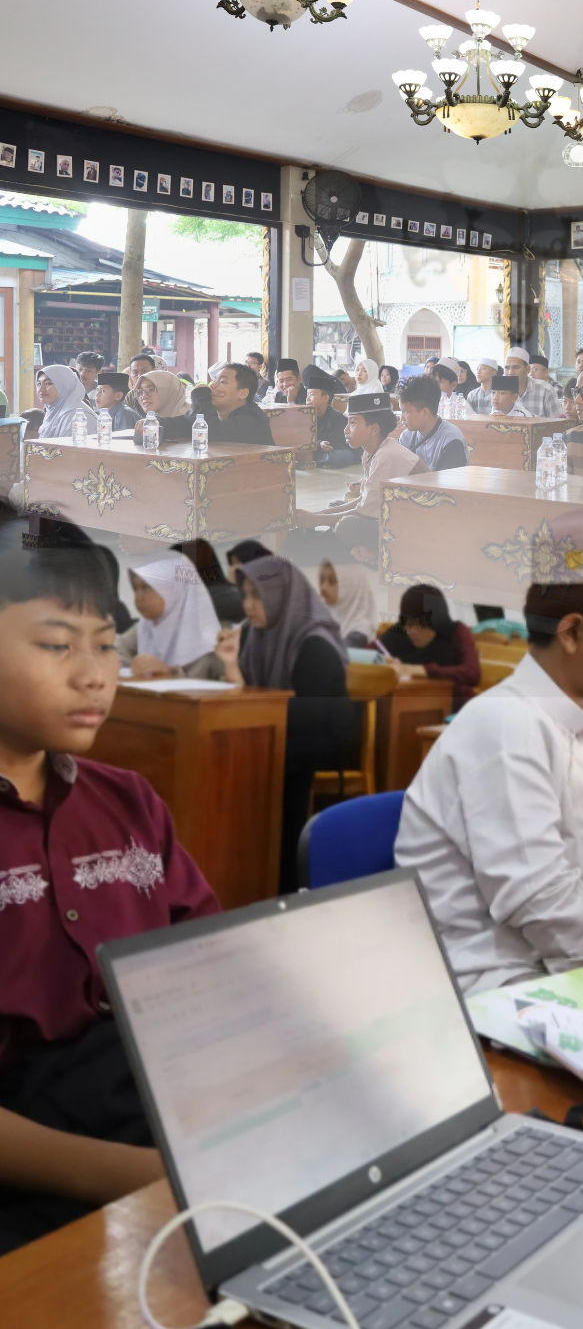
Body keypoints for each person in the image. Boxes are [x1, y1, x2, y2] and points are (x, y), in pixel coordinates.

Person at [0, 532, 218, 1255]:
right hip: (39, 1170)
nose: (95, 675)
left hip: (160, 1110)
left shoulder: (128, 803)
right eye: (58, 645)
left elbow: (207, 971)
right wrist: (154, 1180)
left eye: (103, 644)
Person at [394, 514, 583, 991]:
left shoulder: (579, 733)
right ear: (571, 633)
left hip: (546, 958)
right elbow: (534, 895)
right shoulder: (505, 725)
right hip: (479, 976)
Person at [215, 555, 350, 894]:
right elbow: (253, 701)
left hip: (310, 749)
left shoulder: (315, 644)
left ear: (281, 595)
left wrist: (256, 727)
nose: (248, 605)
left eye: (257, 595)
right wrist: (230, 665)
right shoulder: (254, 636)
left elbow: (310, 721)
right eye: (245, 595)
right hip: (272, 739)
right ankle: (236, 880)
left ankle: (276, 885)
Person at [295, 392, 422, 528]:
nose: (346, 430)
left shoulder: (386, 455)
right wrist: (321, 513)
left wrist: (317, 520)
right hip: (391, 511)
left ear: (374, 429)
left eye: (352, 423)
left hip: (413, 522)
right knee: (334, 506)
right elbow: (365, 499)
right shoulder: (369, 453)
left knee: (346, 525)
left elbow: (365, 512)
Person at [116, 551, 223, 680]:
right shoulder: (146, 626)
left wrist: (169, 672)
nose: (139, 597)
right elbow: (116, 650)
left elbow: (202, 686)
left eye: (146, 588)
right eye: (135, 588)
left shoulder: (203, 638)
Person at [380, 585, 481, 710]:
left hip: (455, 709)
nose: (412, 631)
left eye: (420, 625)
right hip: (412, 707)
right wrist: (381, 661)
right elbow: (368, 653)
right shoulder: (397, 634)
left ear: (436, 622)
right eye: (408, 624)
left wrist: (420, 670)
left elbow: (472, 673)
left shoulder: (456, 632)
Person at [188, 364, 274, 446]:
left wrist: (200, 396)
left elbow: (208, 433)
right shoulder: (216, 415)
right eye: (214, 381)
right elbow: (186, 426)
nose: (212, 385)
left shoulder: (253, 419)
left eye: (222, 382)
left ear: (243, 393)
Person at [397, 375, 469, 470]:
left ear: (425, 413)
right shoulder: (405, 437)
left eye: (405, 411)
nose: (401, 417)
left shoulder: (451, 439)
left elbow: (447, 479)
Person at [302, 363, 354, 467]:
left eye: (312, 395)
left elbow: (336, 446)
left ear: (325, 398)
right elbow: (304, 438)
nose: (307, 399)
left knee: (332, 456)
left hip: (340, 451)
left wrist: (322, 446)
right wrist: (319, 444)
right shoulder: (305, 415)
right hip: (319, 450)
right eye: (307, 395)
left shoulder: (336, 418)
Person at [317, 557, 377, 647]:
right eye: (322, 580)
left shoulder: (360, 631)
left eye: (332, 581)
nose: (323, 588)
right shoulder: (328, 619)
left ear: (351, 586)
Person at [133, 371, 190, 443]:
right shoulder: (147, 422)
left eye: (151, 389)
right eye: (140, 391)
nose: (144, 397)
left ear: (170, 391)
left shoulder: (191, 421)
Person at [35, 366, 91, 439]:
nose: (41, 389)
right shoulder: (53, 411)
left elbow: (69, 446)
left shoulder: (74, 414)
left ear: (65, 385)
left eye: (48, 383)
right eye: (39, 384)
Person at [505, 346, 561, 417]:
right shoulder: (498, 391)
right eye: (507, 368)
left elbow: (558, 421)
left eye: (516, 367)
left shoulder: (545, 390)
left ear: (527, 370)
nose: (510, 372)